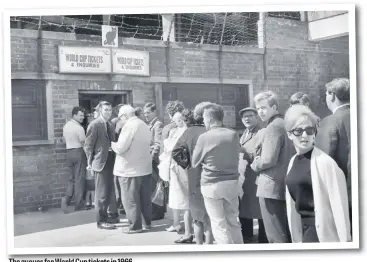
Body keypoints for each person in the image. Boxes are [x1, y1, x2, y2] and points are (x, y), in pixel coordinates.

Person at [284, 104, 351, 242]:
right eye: (298, 131)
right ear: (289, 134)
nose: (304, 135)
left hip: (321, 233)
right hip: (301, 230)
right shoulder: (293, 161)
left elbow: (340, 207)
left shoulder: (326, 163)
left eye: (309, 130)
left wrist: (345, 244)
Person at [192, 103, 243, 244]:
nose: (202, 121)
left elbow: (194, 162)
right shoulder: (233, 134)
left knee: (218, 224)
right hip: (232, 183)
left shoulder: (204, 137)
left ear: (209, 119)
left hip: (211, 184)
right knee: (233, 221)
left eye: (203, 118)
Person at [250, 91, 293, 243]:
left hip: (270, 186)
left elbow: (268, 159)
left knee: (275, 234)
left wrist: (255, 164)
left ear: (274, 107)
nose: (260, 112)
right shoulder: (284, 123)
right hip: (282, 183)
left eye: (263, 108)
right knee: (285, 230)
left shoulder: (273, 127)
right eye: (258, 108)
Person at [172, 104, 214, 245]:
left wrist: (187, 164)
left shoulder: (189, 132)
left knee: (197, 216)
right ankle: (210, 248)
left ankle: (199, 248)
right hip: (212, 174)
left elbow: (175, 152)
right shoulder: (212, 130)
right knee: (210, 216)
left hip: (194, 175)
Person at [314, 78, 352, 235]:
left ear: (332, 95)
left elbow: (323, 162)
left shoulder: (330, 122)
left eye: (326, 93)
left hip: (344, 197)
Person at [111, 105, 153, 234]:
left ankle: (135, 226)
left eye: (120, 118)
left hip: (129, 170)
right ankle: (147, 223)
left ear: (124, 116)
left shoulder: (129, 126)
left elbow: (121, 148)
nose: (119, 120)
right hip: (144, 168)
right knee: (145, 199)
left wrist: (112, 144)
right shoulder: (144, 125)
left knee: (130, 199)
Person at [159, 111, 194, 243]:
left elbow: (175, 148)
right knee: (174, 196)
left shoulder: (187, 131)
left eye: (178, 120)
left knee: (184, 198)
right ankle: (176, 223)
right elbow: (166, 147)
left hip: (181, 168)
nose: (176, 123)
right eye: (174, 120)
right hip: (172, 167)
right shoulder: (173, 131)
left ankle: (187, 230)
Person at [84, 101, 119, 230]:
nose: (108, 112)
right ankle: (101, 220)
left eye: (110, 110)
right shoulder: (94, 125)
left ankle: (108, 216)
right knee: (101, 193)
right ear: (100, 111)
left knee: (109, 191)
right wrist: (89, 163)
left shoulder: (109, 124)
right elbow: (88, 146)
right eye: (105, 110)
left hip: (110, 160)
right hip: (100, 162)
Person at [237, 107, 268, 243]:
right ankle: (247, 233)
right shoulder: (245, 133)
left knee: (260, 207)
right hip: (246, 175)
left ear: (256, 117)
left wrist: (247, 155)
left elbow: (262, 153)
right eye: (244, 117)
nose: (247, 119)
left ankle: (263, 237)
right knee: (245, 206)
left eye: (250, 116)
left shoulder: (261, 132)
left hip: (257, 175)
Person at [61, 106, 89, 213]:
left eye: (83, 115)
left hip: (69, 152)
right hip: (78, 152)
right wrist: (89, 157)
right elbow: (84, 144)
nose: (83, 117)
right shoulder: (79, 128)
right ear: (74, 115)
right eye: (80, 115)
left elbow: (64, 140)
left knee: (71, 179)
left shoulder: (66, 126)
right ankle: (79, 204)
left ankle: (66, 199)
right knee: (79, 180)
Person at [143, 102, 166, 221]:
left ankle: (158, 212)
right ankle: (155, 210)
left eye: (148, 112)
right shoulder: (150, 124)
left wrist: (151, 158)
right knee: (152, 186)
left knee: (156, 186)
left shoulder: (158, 124)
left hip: (154, 161)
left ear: (154, 112)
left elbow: (158, 144)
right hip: (150, 159)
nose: (145, 115)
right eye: (144, 112)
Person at [110, 103, 125, 215]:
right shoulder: (115, 122)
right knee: (118, 180)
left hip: (122, 153)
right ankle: (120, 203)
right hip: (118, 153)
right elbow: (113, 137)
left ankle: (122, 204)